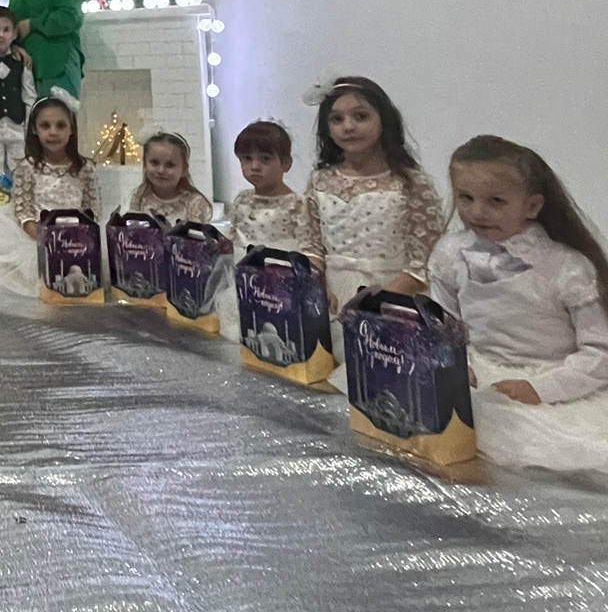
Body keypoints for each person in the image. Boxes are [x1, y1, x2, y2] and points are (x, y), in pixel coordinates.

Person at [429, 136, 608, 474]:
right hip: (481, 377)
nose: (477, 212)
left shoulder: (567, 268)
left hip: (554, 384)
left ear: (532, 206)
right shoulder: (450, 255)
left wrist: (541, 389)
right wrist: (454, 364)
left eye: (495, 201)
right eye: (465, 198)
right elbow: (441, 323)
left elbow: (600, 352)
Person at [302, 74, 443, 313]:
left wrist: (376, 304)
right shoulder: (320, 180)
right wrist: (317, 287)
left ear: (384, 120)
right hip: (331, 302)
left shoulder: (411, 183)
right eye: (337, 119)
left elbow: (423, 263)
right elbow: (312, 246)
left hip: (392, 301)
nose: (348, 126)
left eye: (361, 116)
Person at [0, 93, 98, 297]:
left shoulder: (85, 168)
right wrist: (40, 235)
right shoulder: (27, 167)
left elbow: (92, 209)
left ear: (72, 129)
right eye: (45, 126)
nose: (53, 132)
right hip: (38, 237)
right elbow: (23, 209)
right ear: (34, 129)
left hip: (78, 238)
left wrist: (80, 237)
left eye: (61, 125)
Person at [228, 121, 323, 261]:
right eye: (247, 158)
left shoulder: (298, 205)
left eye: (265, 159)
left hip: (281, 269)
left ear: (286, 163)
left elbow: (310, 250)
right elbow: (232, 240)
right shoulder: (242, 200)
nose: (254, 166)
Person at [0, 8, 39, 177]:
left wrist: (29, 128)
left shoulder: (21, 62)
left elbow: (29, 96)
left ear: (14, 33)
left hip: (16, 128)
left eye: (6, 30)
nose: (1, 35)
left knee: (19, 172)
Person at [129, 129, 215, 227]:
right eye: (155, 163)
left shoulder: (194, 203)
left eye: (170, 165)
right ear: (144, 164)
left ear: (184, 169)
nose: (161, 170)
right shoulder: (141, 197)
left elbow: (196, 235)